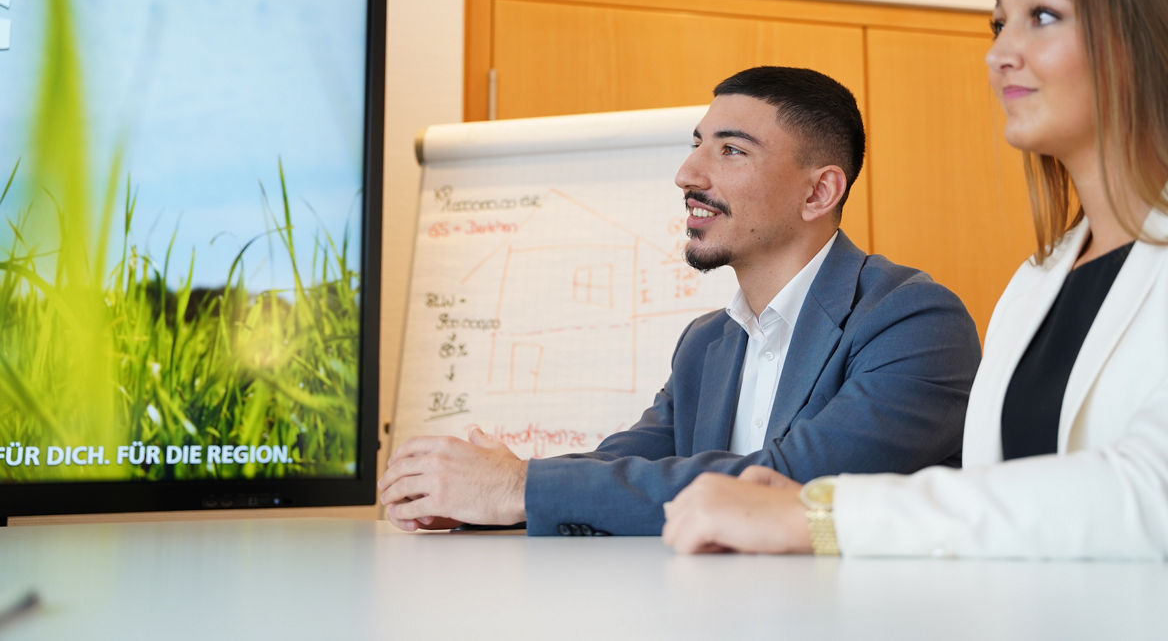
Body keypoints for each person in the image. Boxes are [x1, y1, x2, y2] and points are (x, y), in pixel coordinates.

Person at [661, 0, 1168, 564]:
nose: (998, 55)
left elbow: (1167, 496)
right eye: (999, 25)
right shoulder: (1038, 279)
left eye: (1041, 17)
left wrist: (823, 515)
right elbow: (999, 509)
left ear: (1150, 38)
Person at [380, 66, 981, 536]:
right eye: (698, 145)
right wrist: (491, 499)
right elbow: (624, 462)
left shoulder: (914, 320)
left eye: (730, 150)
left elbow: (791, 485)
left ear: (819, 190)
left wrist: (518, 489)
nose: (687, 174)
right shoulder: (706, 343)